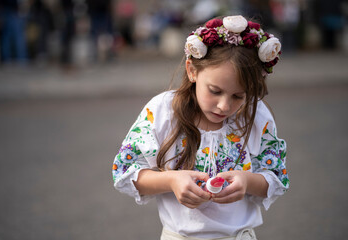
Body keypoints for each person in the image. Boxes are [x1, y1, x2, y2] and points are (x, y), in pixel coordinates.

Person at [112, 15, 289, 240]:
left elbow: (276, 177)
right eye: (215, 91)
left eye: (238, 96)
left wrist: (247, 182)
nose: (224, 105)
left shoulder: (256, 116)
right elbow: (124, 171)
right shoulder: (163, 111)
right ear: (192, 70)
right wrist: (171, 180)